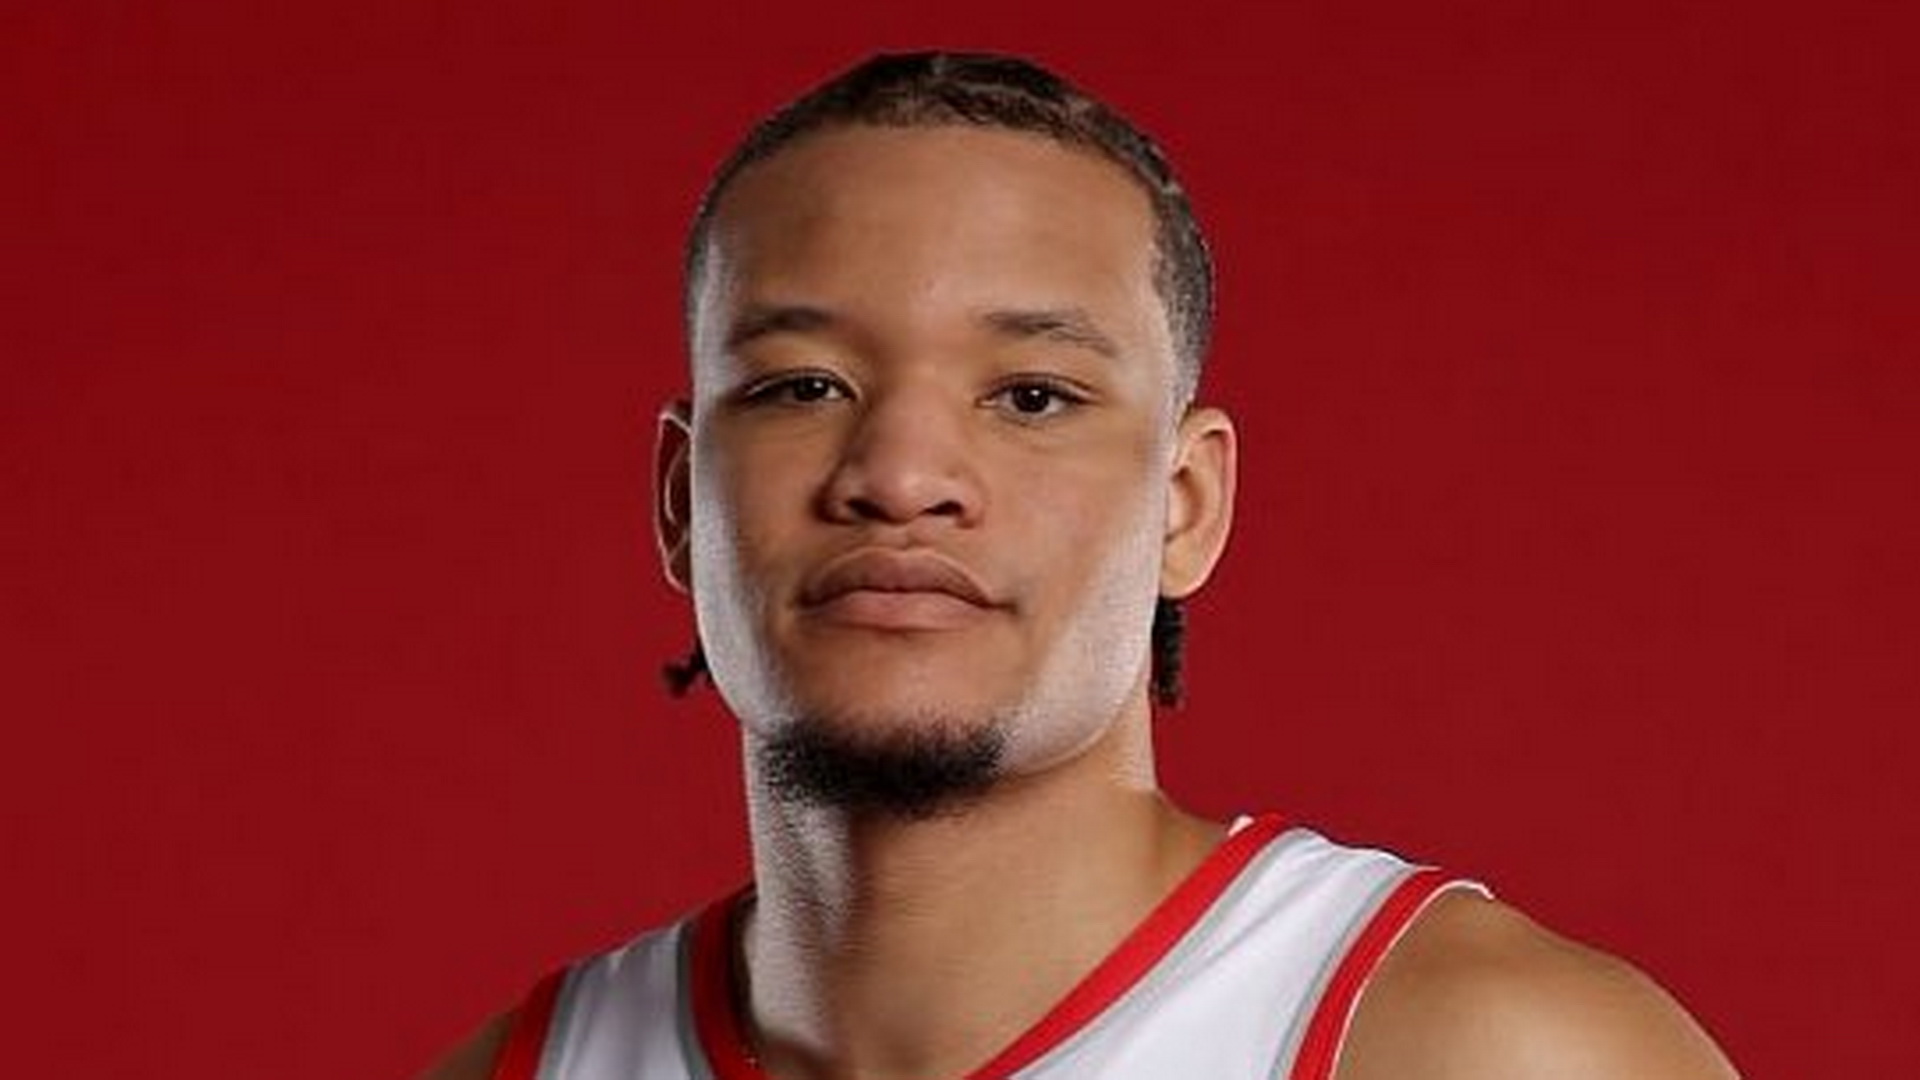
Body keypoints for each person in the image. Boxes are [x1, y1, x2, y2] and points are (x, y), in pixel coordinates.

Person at [422, 52, 1738, 1080]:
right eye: (803, 385)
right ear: (679, 501)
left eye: (1032, 396)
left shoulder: (1482, 1051)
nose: (900, 473)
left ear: (1185, 506)